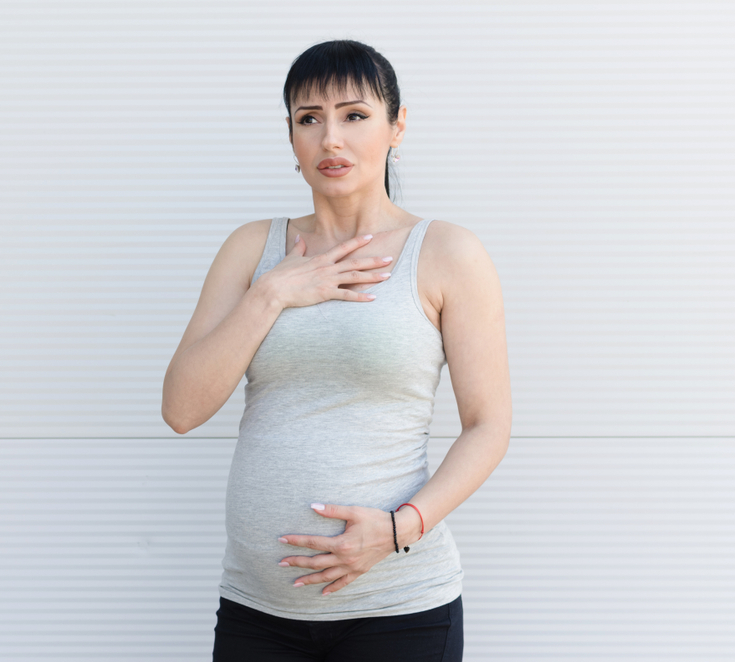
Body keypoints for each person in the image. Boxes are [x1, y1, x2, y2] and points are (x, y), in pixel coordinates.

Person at [162, 39, 511, 661]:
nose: (330, 139)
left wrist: (399, 530)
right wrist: (272, 293)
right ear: (290, 135)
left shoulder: (448, 253)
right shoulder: (251, 249)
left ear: (397, 126)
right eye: (309, 118)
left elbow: (488, 426)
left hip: (398, 607)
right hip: (257, 610)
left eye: (354, 115)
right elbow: (181, 410)